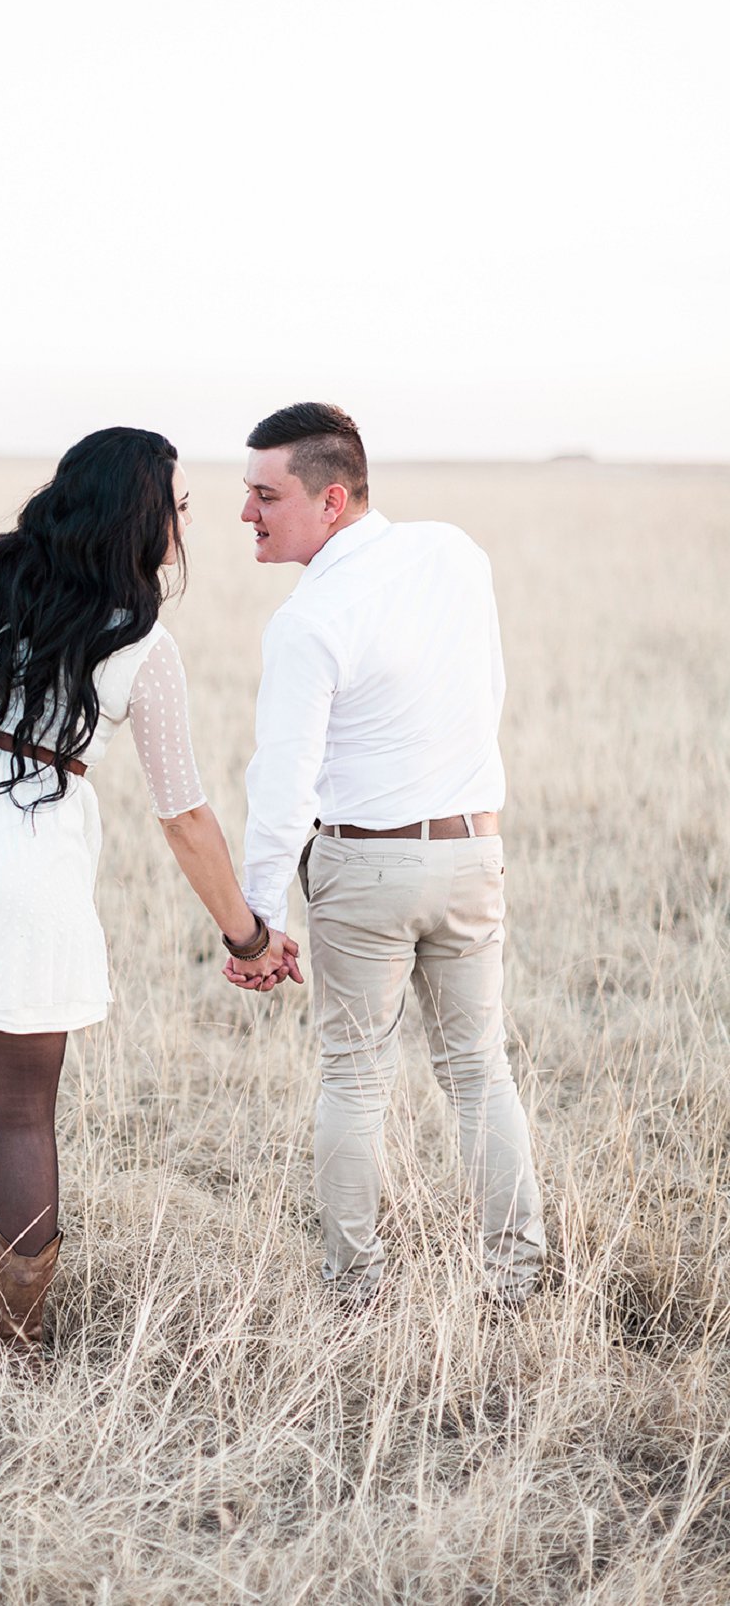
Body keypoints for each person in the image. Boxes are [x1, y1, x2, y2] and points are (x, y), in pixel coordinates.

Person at [0, 427, 300, 1356]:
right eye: (177, 504)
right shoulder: (141, 644)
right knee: (21, 1114)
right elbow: (186, 817)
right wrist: (248, 935)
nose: (187, 522)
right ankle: (11, 1340)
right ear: (137, 517)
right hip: (21, 884)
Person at [226, 402, 545, 1308]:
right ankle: (516, 1274)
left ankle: (355, 1285)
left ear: (332, 500)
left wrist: (257, 922)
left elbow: (281, 782)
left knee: (355, 1078)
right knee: (480, 1070)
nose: (246, 514)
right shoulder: (457, 553)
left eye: (264, 496)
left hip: (365, 868)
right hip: (474, 851)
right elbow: (488, 689)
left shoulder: (307, 621)